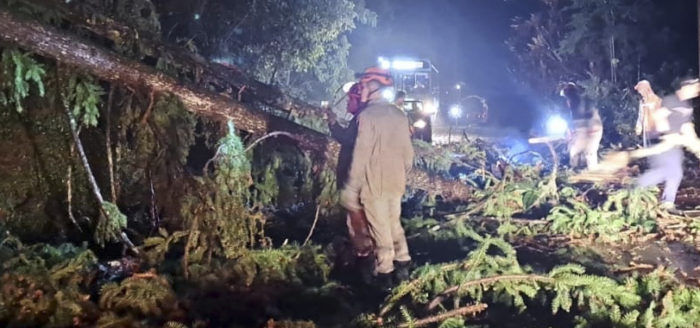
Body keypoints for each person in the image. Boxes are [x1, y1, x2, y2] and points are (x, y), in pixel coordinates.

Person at [340, 67, 415, 290]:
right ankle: (404, 270)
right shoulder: (399, 115)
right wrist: (402, 175)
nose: (361, 89)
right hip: (396, 183)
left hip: (374, 185)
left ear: (373, 88)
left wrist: (351, 188)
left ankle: (385, 283)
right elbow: (408, 155)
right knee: (394, 225)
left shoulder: (366, 117)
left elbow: (360, 155)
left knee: (381, 233)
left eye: (363, 85)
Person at [636, 78, 698, 210]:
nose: (697, 91)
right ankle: (635, 188)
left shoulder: (687, 106)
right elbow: (659, 117)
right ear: (685, 87)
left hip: (674, 144)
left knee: (674, 173)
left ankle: (667, 202)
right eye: (695, 88)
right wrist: (668, 134)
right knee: (666, 172)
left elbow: (686, 126)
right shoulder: (671, 100)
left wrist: (695, 143)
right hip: (662, 141)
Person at [560, 82, 603, 170]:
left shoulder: (580, 104)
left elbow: (584, 119)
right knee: (588, 152)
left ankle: (576, 171)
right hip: (592, 129)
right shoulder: (581, 102)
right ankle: (587, 171)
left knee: (577, 151)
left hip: (589, 128)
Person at [634, 80, 663, 147]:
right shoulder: (642, 101)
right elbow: (641, 115)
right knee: (647, 147)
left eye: (640, 90)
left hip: (655, 130)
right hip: (646, 130)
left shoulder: (656, 100)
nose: (640, 92)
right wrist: (639, 126)